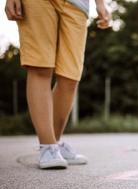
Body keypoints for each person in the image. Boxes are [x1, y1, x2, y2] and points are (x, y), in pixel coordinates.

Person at [5, 0, 112, 169]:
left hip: (78, 4)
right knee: (40, 67)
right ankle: (48, 147)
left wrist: (100, 4)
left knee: (70, 76)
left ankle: (55, 143)